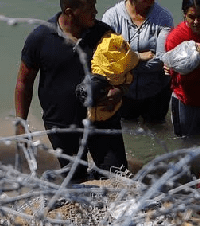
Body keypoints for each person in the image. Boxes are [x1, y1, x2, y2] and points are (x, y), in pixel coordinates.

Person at [15, 0, 128, 181]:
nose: (95, 11)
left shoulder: (104, 35)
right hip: (61, 125)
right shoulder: (40, 37)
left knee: (117, 176)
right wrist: (21, 123)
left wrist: (119, 91)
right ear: (70, 12)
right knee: (76, 180)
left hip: (102, 119)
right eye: (89, 8)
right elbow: (24, 82)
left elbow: (123, 72)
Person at [100, 0, 175, 124]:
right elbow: (107, 59)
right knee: (128, 133)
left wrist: (123, 61)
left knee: (157, 132)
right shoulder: (112, 17)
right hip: (123, 92)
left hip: (156, 91)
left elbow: (161, 60)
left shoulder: (164, 17)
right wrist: (138, 56)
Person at [162, 0, 200, 137]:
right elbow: (176, 78)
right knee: (185, 144)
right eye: (191, 17)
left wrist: (190, 65)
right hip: (184, 101)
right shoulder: (174, 37)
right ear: (184, 15)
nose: (196, 22)